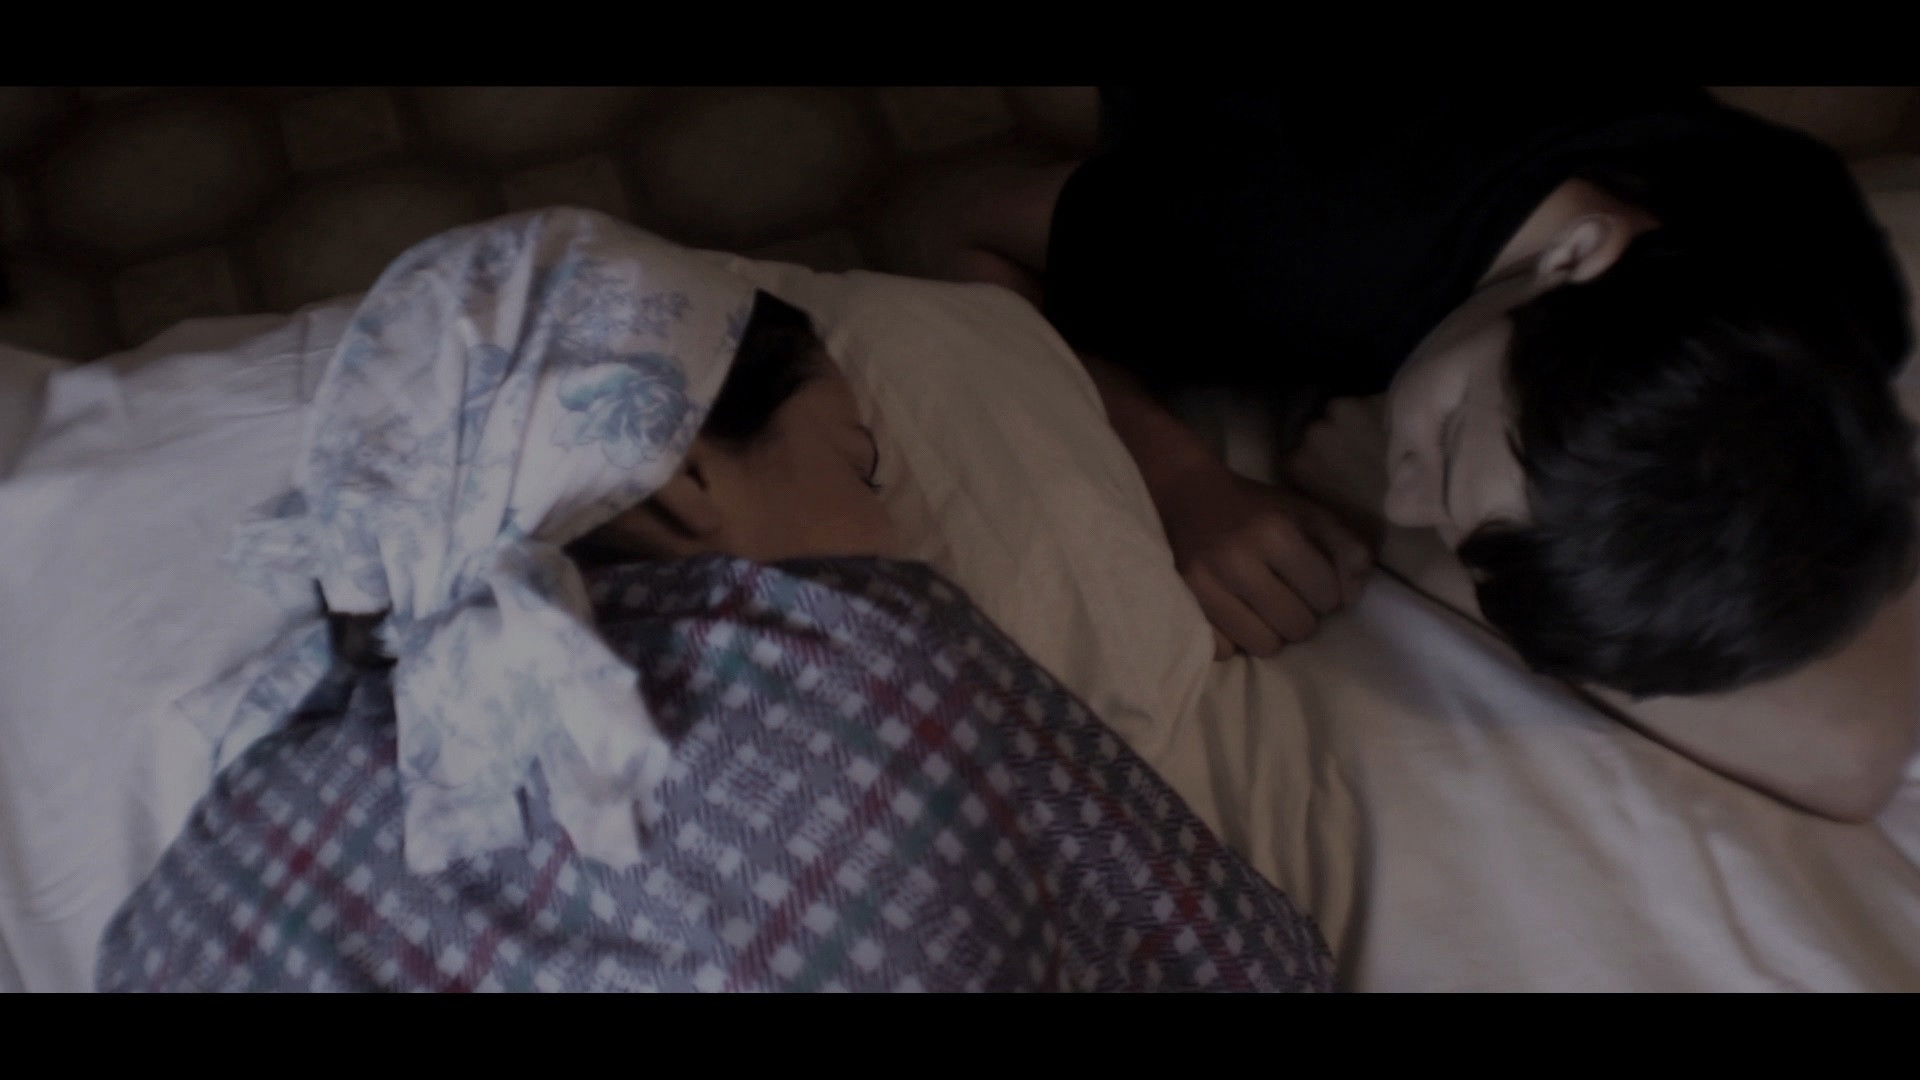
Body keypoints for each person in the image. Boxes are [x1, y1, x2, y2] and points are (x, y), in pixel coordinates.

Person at [99, 214, 1336, 992]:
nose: (898, 528)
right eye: (862, 466)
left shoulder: (241, 823)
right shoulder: (857, 650)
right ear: (690, 476)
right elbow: (1243, 961)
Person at [873, 87, 1920, 820]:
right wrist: (1174, 472)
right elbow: (939, 222)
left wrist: (1428, 551)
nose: (1406, 497)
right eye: (1446, 440)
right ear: (1574, 256)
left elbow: (1854, 753)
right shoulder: (1288, 246)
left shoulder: (1814, 301)